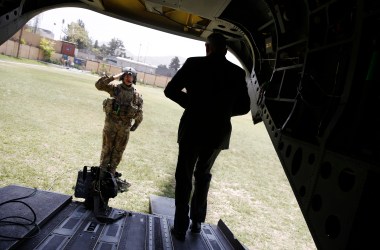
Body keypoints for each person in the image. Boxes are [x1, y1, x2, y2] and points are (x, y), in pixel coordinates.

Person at [164, 32, 251, 241]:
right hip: (217, 131)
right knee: (203, 176)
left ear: (207, 48)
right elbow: (245, 107)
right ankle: (196, 222)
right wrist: (222, 111)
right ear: (226, 50)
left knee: (184, 176)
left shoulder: (194, 64)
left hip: (193, 127)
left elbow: (170, 90)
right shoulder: (237, 73)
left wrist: (192, 105)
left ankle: (180, 226)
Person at [95, 67, 143, 188]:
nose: (128, 78)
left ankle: (110, 178)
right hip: (110, 126)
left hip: (124, 130)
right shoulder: (115, 88)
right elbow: (99, 85)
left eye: (131, 76)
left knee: (117, 153)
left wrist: (135, 125)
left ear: (134, 78)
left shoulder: (136, 95)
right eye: (126, 75)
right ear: (122, 77)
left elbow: (139, 113)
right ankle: (101, 177)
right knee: (106, 150)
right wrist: (113, 77)